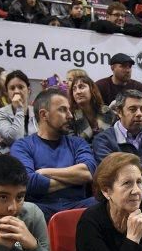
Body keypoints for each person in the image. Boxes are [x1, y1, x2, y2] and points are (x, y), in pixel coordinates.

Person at [10, 88, 97, 221]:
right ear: (44, 115)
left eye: (69, 110)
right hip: (40, 208)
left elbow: (88, 173)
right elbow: (29, 182)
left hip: (77, 205)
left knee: (104, 204)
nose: (70, 115)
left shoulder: (78, 143)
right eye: (62, 110)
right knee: (23, 210)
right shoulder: (22, 146)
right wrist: (74, 180)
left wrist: (44, 172)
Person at [0, 70, 38, 153]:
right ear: (7, 92)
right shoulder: (0, 113)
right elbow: (16, 139)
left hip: (35, 154)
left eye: (21, 87)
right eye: (12, 88)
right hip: (10, 156)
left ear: (28, 90)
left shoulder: (36, 111)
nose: (16, 91)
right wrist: (19, 109)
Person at [69, 74, 114, 143]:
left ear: (92, 89)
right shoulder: (71, 116)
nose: (77, 92)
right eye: (74, 89)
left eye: (81, 87)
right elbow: (71, 143)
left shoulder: (107, 112)